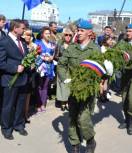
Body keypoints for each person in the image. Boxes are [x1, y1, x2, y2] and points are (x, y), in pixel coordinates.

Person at [57, 19, 99, 153]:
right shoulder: (71, 47)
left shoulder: (95, 49)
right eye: (78, 30)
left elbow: (100, 69)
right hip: (73, 89)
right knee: (72, 118)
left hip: (87, 90)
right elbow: (61, 64)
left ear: (89, 32)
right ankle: (75, 145)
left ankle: (90, 140)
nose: (79, 33)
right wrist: (65, 78)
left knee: (83, 118)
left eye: (82, 31)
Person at [0, 19, 28, 140]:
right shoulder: (4, 42)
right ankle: (6, 128)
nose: (24, 30)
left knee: (20, 104)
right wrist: (15, 68)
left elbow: (24, 57)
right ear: (15, 28)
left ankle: (18, 124)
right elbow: (1, 63)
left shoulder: (22, 41)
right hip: (10, 79)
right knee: (8, 105)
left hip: (23, 79)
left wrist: (29, 63)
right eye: (22, 28)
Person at [35, 26, 55, 112]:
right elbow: (35, 54)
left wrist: (51, 57)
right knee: (39, 86)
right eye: (46, 33)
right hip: (40, 67)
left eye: (49, 33)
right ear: (42, 34)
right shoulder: (37, 43)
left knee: (46, 86)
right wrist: (43, 58)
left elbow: (54, 54)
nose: (48, 35)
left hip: (49, 67)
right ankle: (38, 104)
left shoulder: (52, 44)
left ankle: (43, 104)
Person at [56, 27, 73, 111]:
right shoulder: (59, 44)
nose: (68, 36)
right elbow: (56, 56)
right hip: (61, 67)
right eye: (66, 35)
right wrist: (62, 60)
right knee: (62, 84)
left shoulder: (74, 45)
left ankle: (67, 102)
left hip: (70, 68)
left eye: (70, 35)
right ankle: (63, 103)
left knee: (68, 85)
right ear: (63, 35)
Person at [22, 28, 37, 123]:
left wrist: (34, 64)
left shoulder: (34, 46)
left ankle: (25, 114)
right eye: (26, 34)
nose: (28, 37)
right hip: (21, 72)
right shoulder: (20, 44)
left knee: (28, 94)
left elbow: (37, 59)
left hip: (30, 73)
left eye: (30, 35)